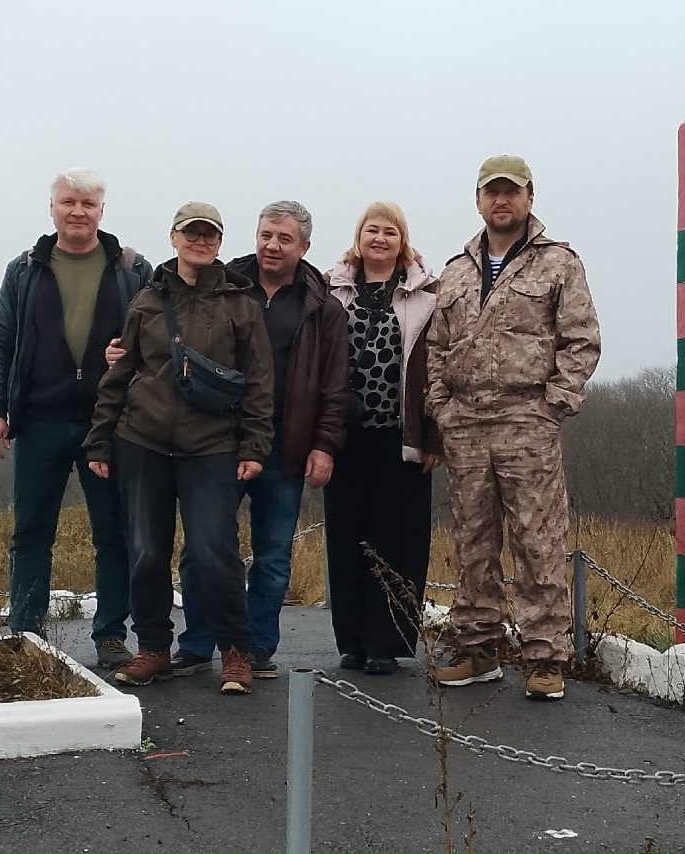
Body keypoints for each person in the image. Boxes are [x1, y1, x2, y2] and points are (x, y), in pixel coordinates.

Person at [426, 155, 601, 701]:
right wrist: (441, 406)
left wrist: (554, 403)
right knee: (473, 540)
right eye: (491, 192)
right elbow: (436, 347)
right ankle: (477, 647)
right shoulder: (455, 271)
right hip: (466, 424)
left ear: (530, 197)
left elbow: (582, 340)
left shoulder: (558, 263)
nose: (501, 201)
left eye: (512, 192)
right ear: (478, 199)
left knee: (537, 539)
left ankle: (545, 657)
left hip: (528, 420)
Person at [85, 202, 274, 695]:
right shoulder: (146, 301)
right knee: (146, 552)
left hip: (211, 444)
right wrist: (99, 439)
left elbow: (258, 382)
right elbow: (120, 374)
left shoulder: (240, 303)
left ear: (219, 242)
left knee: (215, 552)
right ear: (173, 237)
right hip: (140, 441)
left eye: (209, 235)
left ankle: (234, 650)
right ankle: (153, 648)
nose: (200, 241)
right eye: (192, 233)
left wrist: (254, 444)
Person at [168, 201, 350, 680]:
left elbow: (334, 386)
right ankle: (197, 643)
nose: (273, 245)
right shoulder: (219, 288)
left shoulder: (323, 308)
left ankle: (256, 647)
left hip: (286, 446)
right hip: (219, 441)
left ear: (304, 247)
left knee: (273, 555)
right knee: (202, 548)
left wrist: (324, 445)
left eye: (285, 238)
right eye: (266, 234)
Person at [0, 167, 151, 668]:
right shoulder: (24, 269)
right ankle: (26, 633)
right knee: (31, 532)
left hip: (109, 423)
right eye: (68, 202)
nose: (78, 212)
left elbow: (161, 338)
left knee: (113, 534)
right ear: (51, 207)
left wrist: (133, 356)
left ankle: (111, 636)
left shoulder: (131, 268)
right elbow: (1, 343)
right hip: (39, 421)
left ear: (102, 211)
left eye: (88, 204)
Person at [323, 201, 443, 675]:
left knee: (400, 541)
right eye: (371, 230)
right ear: (358, 237)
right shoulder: (333, 292)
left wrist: (432, 435)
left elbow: (438, 368)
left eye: (389, 232)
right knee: (347, 537)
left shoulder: (427, 295)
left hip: (402, 437)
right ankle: (352, 640)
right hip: (347, 437)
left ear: (402, 240)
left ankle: (386, 643)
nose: (380, 239)